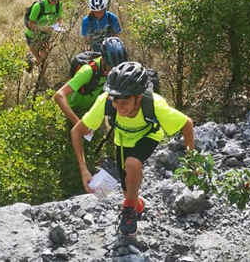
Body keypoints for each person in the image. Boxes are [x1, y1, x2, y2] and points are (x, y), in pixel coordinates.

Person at [71, 62, 195, 236]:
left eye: (125, 102)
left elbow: (186, 124)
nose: (120, 108)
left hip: (148, 135)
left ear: (138, 96)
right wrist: (84, 170)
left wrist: (191, 161)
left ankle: (129, 211)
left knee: (132, 164)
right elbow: (76, 132)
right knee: (128, 190)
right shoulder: (105, 101)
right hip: (122, 140)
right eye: (116, 102)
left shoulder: (154, 104)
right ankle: (136, 203)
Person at [54, 37, 128, 125]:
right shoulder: (87, 71)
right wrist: (77, 123)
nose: (114, 71)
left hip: (87, 113)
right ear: (103, 61)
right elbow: (59, 95)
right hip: (69, 111)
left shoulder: (114, 73)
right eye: (111, 67)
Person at [25, 0, 64, 73]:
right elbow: (30, 24)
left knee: (44, 57)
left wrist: (61, 24)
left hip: (46, 34)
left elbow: (60, 17)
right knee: (39, 60)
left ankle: (34, 63)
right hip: (33, 35)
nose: (55, 2)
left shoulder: (59, 4)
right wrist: (43, 28)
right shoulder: (38, 6)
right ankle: (30, 61)